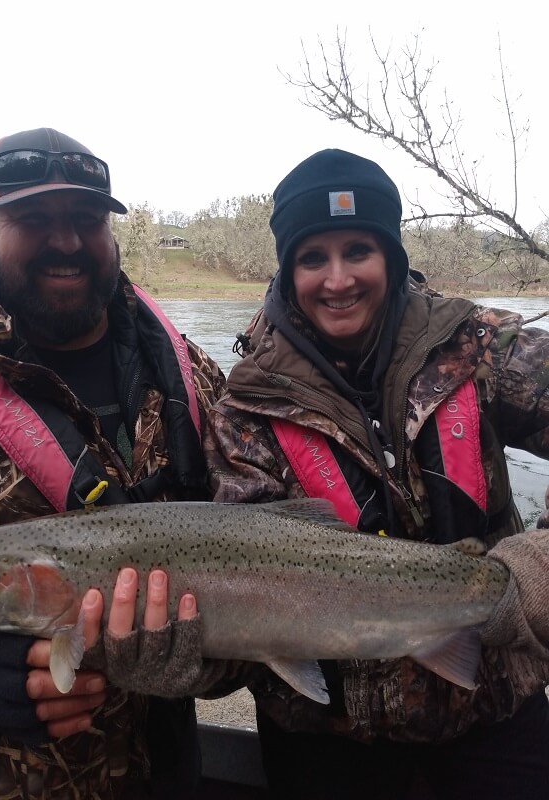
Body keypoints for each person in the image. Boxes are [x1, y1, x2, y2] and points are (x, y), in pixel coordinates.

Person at [200, 149, 549, 799]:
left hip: (497, 712)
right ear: (287, 268)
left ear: (390, 254)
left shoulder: (480, 346)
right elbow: (235, 600)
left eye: (358, 249)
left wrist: (540, 565)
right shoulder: (244, 410)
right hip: (325, 745)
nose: (337, 279)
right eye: (312, 258)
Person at [0, 127, 225, 799]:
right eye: (33, 219)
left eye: (86, 219)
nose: (67, 241)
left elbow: (272, 574)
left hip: (170, 771)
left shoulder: (195, 378)